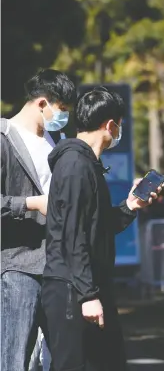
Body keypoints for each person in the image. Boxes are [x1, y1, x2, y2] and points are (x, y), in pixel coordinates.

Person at [41, 87, 160, 371]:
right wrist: (88, 296)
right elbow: (73, 236)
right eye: (119, 125)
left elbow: (96, 226)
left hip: (86, 286)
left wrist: (130, 206)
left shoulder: (87, 165)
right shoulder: (74, 165)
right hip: (72, 291)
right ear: (110, 125)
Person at [1, 68, 76, 371]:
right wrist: (32, 203)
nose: (64, 117)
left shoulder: (56, 140)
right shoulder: (4, 137)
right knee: (15, 357)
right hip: (18, 266)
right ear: (42, 103)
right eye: (62, 110)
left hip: (58, 264)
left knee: (64, 358)